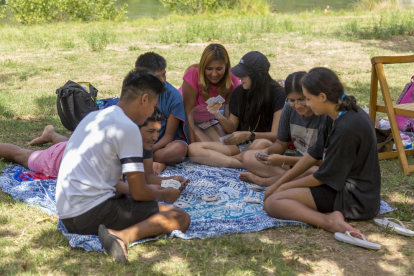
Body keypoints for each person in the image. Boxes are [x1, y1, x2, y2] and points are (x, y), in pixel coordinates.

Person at [56, 69, 190, 263]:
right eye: (153, 105)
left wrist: (148, 188)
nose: (153, 111)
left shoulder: (95, 117)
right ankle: (122, 236)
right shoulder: (128, 128)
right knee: (180, 217)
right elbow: (139, 193)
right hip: (90, 214)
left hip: (68, 214)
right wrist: (163, 194)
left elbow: (109, 182)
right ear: (144, 99)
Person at [263, 67, 381, 235]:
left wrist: (282, 188)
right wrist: (278, 184)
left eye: (308, 99)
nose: (307, 105)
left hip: (355, 198)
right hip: (339, 185)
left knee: (274, 202)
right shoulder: (333, 113)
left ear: (323, 97)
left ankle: (329, 222)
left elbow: (322, 177)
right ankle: (326, 215)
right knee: (282, 190)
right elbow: (312, 155)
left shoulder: (347, 126)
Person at [0, 108, 186, 185]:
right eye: (150, 132)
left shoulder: (145, 143)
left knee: (69, 143)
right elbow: (118, 184)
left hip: (75, 147)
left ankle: (51, 134)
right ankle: (52, 136)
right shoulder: (118, 144)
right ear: (134, 129)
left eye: (157, 131)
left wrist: (169, 180)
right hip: (59, 160)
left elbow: (146, 176)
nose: (155, 137)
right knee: (21, 154)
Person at [187, 51, 286, 168]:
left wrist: (249, 135)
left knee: (263, 144)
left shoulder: (278, 93)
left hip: (260, 143)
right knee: (193, 149)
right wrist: (217, 113)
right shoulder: (239, 92)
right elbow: (231, 128)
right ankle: (241, 162)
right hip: (240, 144)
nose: (240, 78)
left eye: (244, 75)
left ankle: (228, 160)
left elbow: (276, 136)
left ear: (257, 75)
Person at [239, 71, 331, 186]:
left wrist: (283, 160)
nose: (297, 106)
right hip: (297, 162)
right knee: (248, 157)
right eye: (292, 100)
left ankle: (273, 181)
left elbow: (322, 160)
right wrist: (267, 153)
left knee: (316, 172)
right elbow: (281, 143)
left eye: (302, 99)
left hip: (315, 165)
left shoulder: (325, 115)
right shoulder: (288, 108)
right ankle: (294, 180)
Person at [135, 52, 189, 174]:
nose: (163, 80)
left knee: (178, 151)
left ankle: (146, 160)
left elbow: (169, 136)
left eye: (164, 75)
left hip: (163, 145)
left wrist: (148, 151)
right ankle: (155, 162)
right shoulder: (133, 93)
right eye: (157, 77)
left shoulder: (173, 96)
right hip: (140, 142)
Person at [180, 43, 241, 143]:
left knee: (224, 145)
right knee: (206, 147)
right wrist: (192, 142)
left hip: (208, 120)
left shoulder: (232, 79)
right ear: (203, 67)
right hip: (189, 121)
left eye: (219, 69)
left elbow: (228, 115)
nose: (214, 74)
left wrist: (227, 132)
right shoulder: (193, 74)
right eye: (209, 69)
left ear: (226, 67)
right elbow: (188, 112)